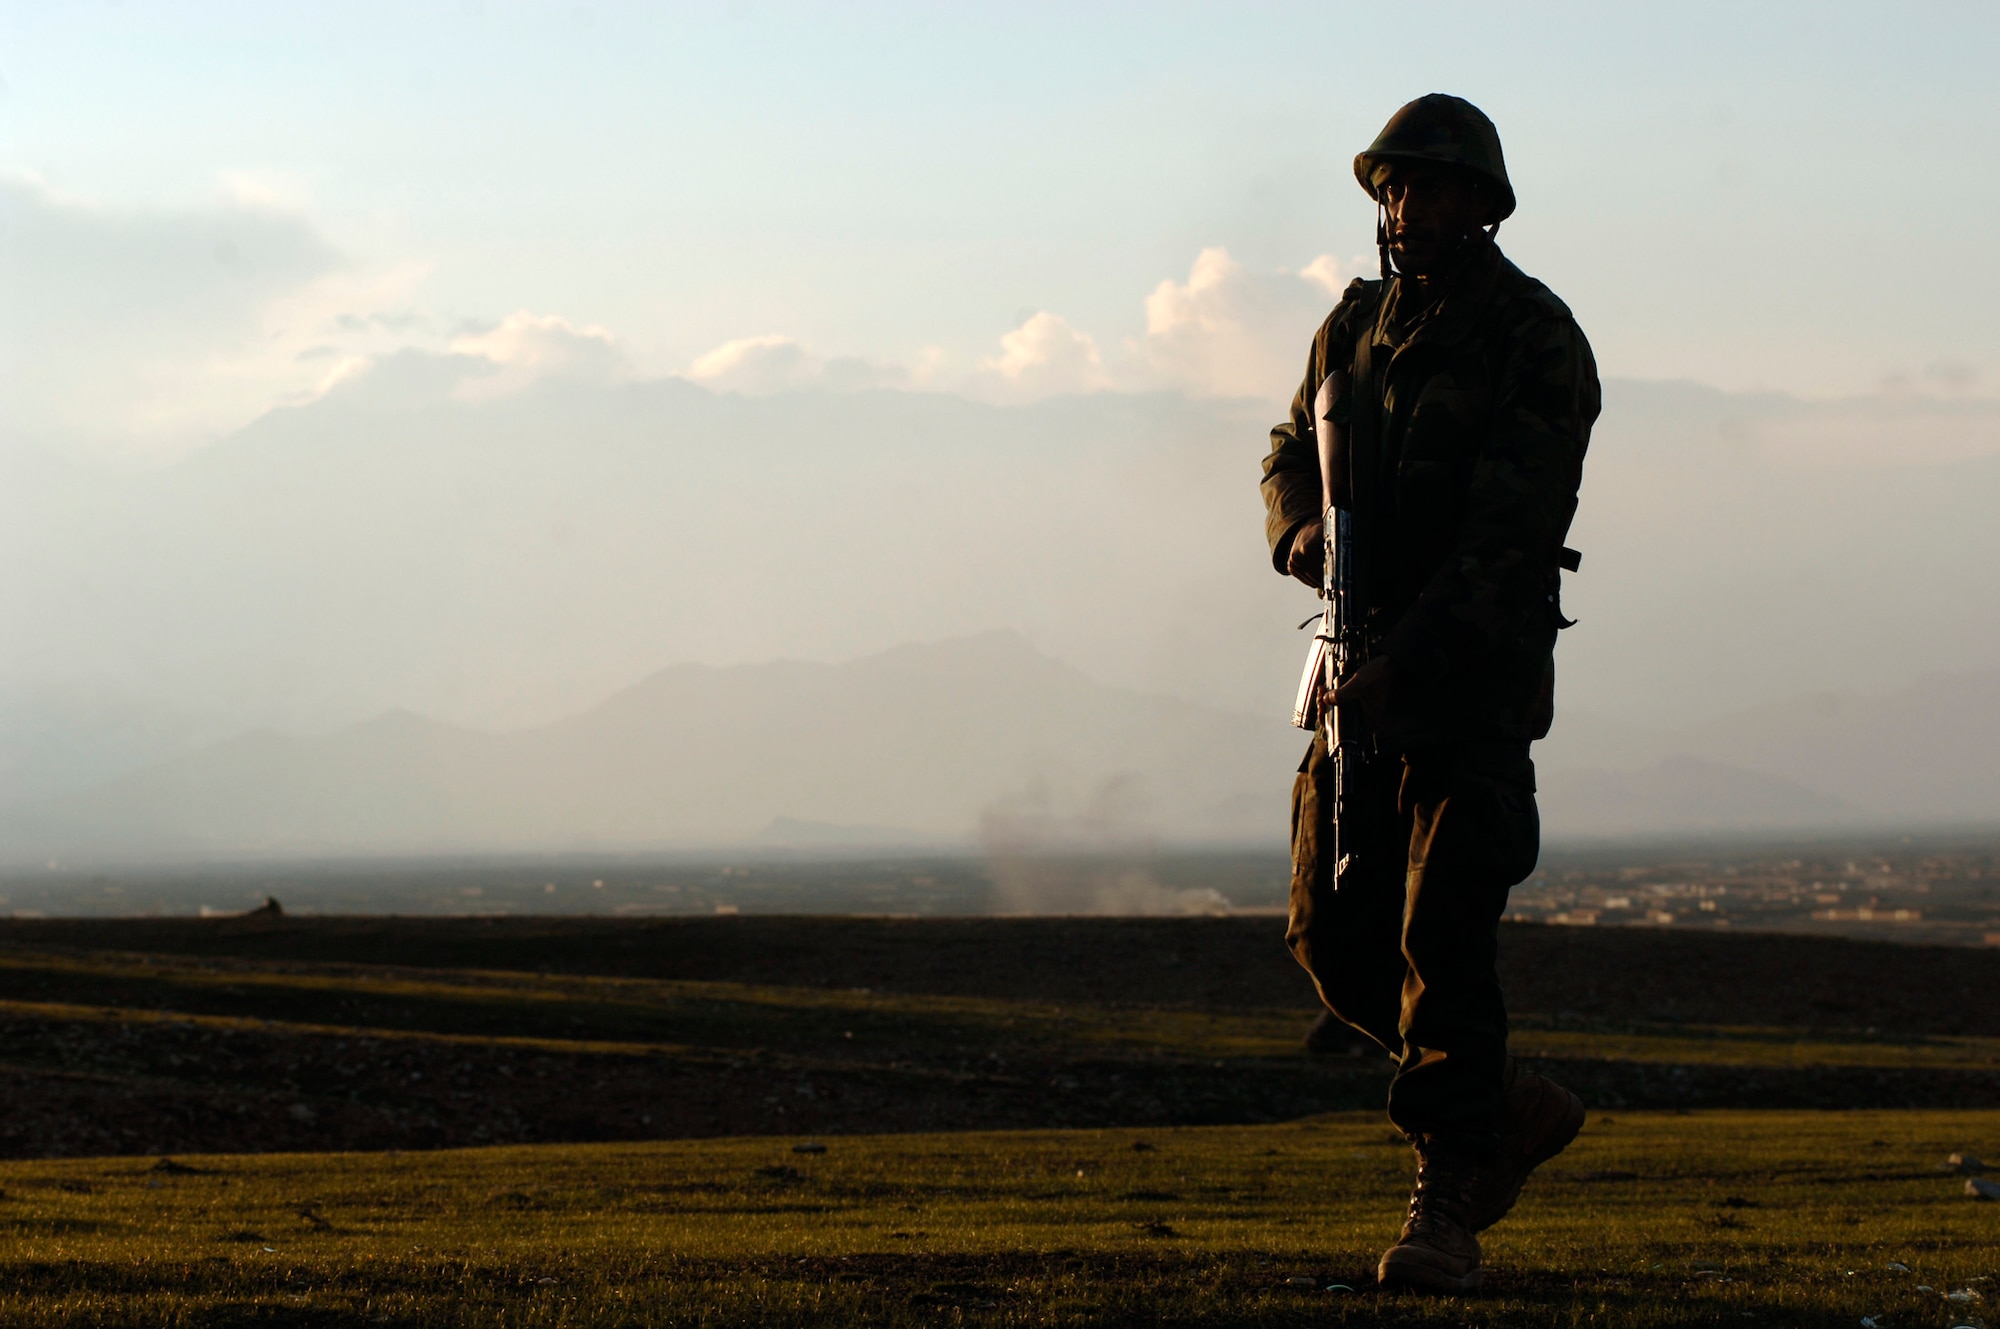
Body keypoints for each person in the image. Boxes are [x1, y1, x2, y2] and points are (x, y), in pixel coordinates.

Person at [1259, 93, 1600, 1292]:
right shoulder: (1350, 327)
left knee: (1440, 939)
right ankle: (1503, 1104)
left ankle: (1446, 1195)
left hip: (1466, 687)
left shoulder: (1532, 337)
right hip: (1354, 673)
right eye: (1396, 189)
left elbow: (1514, 530)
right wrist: (1296, 527)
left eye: (1436, 189)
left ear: (1483, 204)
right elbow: (1286, 447)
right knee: (1329, 938)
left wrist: (1416, 653)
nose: (1410, 208)